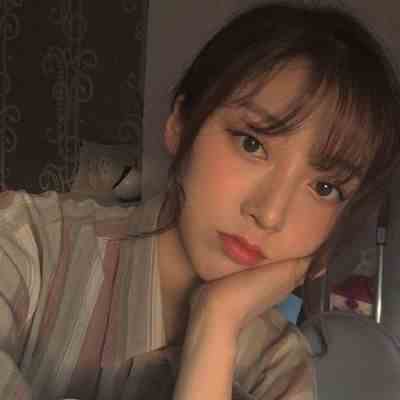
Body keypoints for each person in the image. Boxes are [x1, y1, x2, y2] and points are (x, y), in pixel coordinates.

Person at [1, 2, 400, 399]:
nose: (269, 213)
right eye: (252, 143)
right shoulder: (29, 245)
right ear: (180, 124)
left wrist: (216, 321)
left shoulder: (278, 369)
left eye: (325, 188)